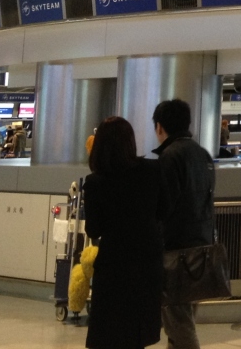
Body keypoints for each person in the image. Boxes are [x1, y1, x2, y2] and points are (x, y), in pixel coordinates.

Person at [84, 116, 165, 349]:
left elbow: (93, 229)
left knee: (109, 333)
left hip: (114, 266)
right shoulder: (153, 171)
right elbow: (163, 210)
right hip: (148, 262)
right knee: (137, 333)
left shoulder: (96, 182)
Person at [153, 99, 216, 349]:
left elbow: (163, 207)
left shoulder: (169, 157)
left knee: (179, 326)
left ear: (160, 127)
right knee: (181, 323)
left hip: (176, 253)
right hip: (201, 249)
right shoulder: (203, 154)